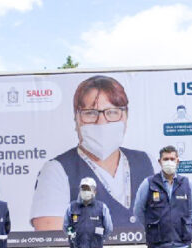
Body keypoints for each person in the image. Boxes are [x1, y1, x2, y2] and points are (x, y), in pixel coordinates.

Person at [30, 75, 154, 231]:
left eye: (112, 112)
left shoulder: (147, 161)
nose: (101, 122)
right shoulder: (56, 171)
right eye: (90, 113)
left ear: (125, 117)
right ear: (77, 118)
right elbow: (50, 241)